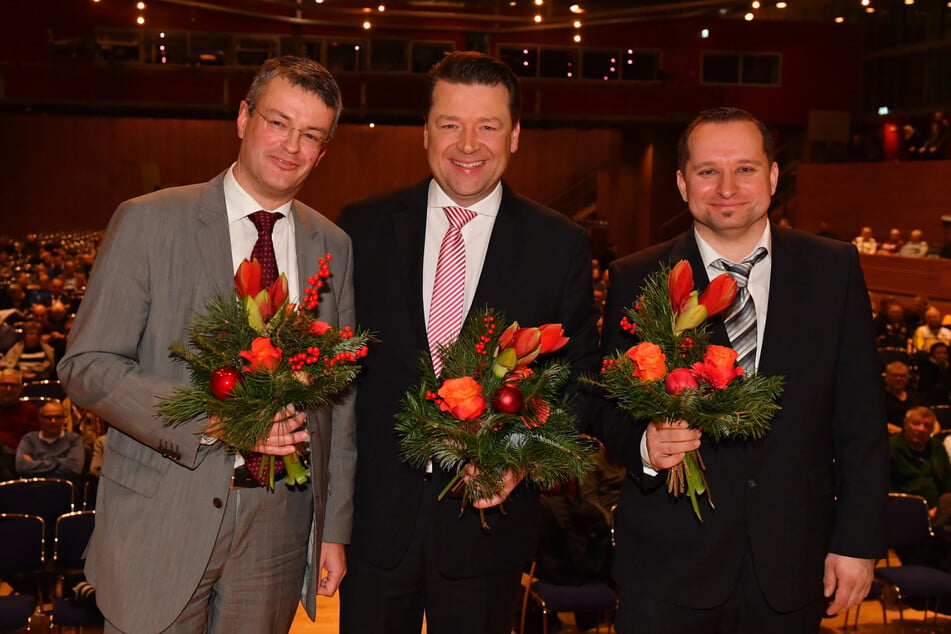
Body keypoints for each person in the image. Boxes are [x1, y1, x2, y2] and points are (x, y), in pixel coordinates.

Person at [57, 56, 356, 634]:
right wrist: (216, 418)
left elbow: (338, 404)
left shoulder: (333, 245)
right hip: (160, 516)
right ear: (243, 118)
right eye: (278, 122)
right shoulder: (148, 221)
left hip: (278, 528)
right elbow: (87, 368)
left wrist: (333, 530)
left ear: (324, 150)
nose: (292, 145)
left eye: (311, 135)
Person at [592, 107, 888, 633]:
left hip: (795, 563)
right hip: (668, 568)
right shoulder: (637, 277)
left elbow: (862, 419)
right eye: (708, 171)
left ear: (773, 176)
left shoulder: (834, 269)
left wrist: (858, 542)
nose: (727, 187)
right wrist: (645, 445)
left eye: (746, 169)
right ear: (683, 183)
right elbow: (608, 409)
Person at [335, 51, 601, 634]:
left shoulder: (559, 244)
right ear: (425, 131)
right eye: (450, 124)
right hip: (377, 525)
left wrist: (520, 454)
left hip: (489, 526)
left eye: (488, 125)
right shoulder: (360, 228)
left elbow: (583, 375)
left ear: (515, 136)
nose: (468, 143)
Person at [15, 399, 84, 482]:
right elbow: (21, 467)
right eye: (48, 417)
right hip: (33, 489)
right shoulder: (29, 439)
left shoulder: (74, 439)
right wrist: (61, 461)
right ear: (40, 418)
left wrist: (35, 463)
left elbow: (74, 469)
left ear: (64, 419)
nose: (53, 421)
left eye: (57, 417)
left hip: (64, 490)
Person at [0, 368, 40, 481]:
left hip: (17, 459)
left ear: (21, 388)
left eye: (13, 385)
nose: (8, 389)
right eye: (4, 385)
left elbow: (32, 442)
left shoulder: (30, 410)